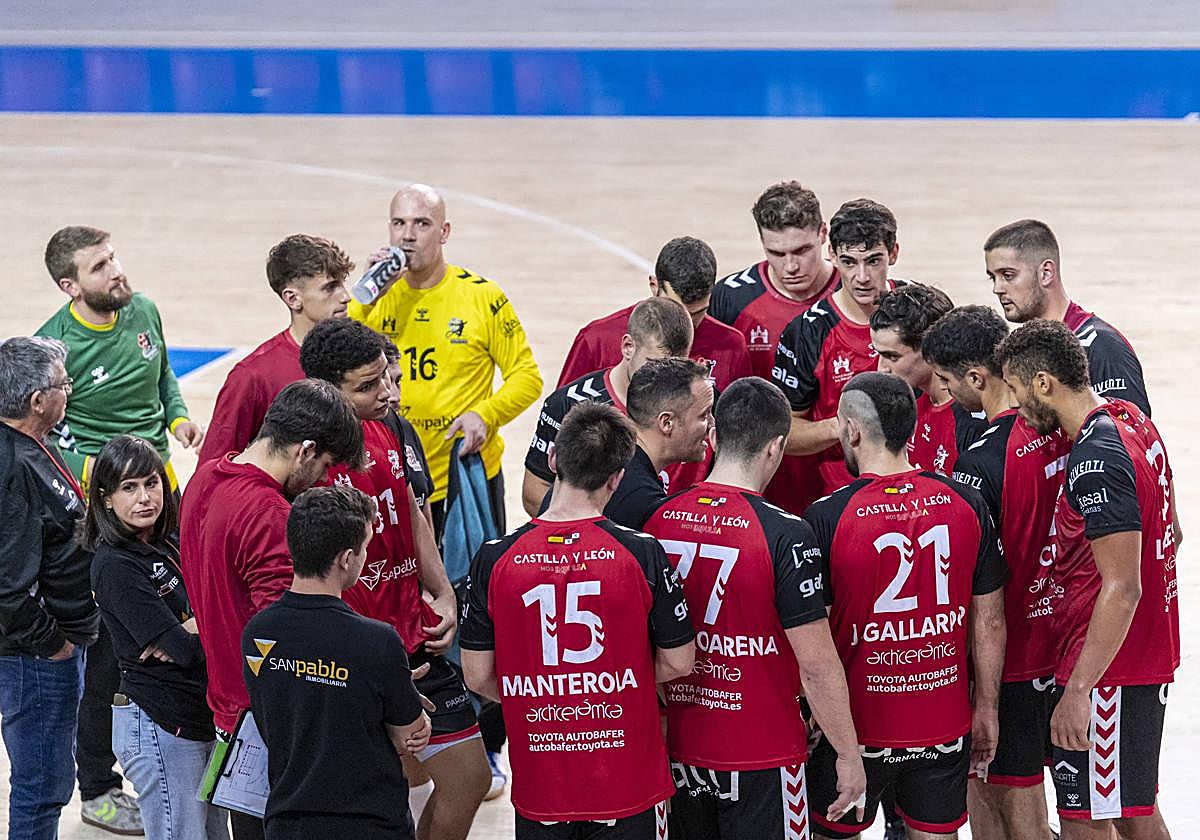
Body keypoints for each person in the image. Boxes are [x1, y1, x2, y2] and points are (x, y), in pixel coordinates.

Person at [460, 402, 696, 839]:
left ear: (552, 461)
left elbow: (477, 676)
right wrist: (620, 685)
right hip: (628, 782)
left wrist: (539, 696)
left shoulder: (494, 558)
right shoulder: (642, 553)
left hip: (541, 783)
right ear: (616, 477)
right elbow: (680, 662)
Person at [643, 378, 866, 838]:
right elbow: (817, 666)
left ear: (714, 437)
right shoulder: (785, 534)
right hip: (762, 756)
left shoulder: (657, 521)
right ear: (776, 448)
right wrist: (847, 753)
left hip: (678, 752)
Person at [37, 225, 203, 834]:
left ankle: (174, 742)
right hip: (106, 506)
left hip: (159, 492)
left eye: (114, 258)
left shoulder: (145, 310)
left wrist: (179, 418)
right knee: (108, 654)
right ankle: (98, 785)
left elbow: (162, 379)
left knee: (184, 607)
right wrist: (109, 478)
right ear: (69, 285)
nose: (116, 271)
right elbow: (47, 436)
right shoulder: (53, 346)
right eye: (100, 266)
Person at [300, 318, 489, 840]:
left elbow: (409, 504)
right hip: (364, 659)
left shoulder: (391, 426)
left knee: (468, 779)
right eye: (368, 385)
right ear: (327, 391)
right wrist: (367, 664)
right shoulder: (311, 463)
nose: (388, 392)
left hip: (416, 640)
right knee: (388, 797)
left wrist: (444, 591)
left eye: (387, 376)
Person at [803, 372, 1007, 839]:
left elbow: (813, 641)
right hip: (942, 724)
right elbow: (990, 618)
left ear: (851, 430)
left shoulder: (826, 516)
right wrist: (988, 707)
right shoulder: (966, 501)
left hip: (855, 733)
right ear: (911, 430)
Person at [996, 320, 1178, 837]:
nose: (1013, 404)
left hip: (1106, 674)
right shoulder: (1132, 421)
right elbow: (1172, 534)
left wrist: (1079, 690)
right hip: (1138, 659)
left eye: (1015, 387)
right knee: (1129, 810)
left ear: (1044, 384)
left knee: (1084, 823)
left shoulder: (1094, 459)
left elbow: (1123, 588)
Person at [180, 379, 363, 840]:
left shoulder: (204, 479)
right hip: (276, 727)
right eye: (323, 465)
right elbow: (288, 640)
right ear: (304, 450)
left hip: (230, 713)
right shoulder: (268, 517)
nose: (323, 480)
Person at [922, 307, 1068, 839]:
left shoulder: (979, 461)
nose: (941, 391)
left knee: (1011, 791)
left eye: (944, 380)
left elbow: (972, 578)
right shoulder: (1056, 426)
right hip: (1062, 636)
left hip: (1009, 653)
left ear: (977, 378)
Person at [350, 182, 543, 538]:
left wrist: (485, 414)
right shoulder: (373, 301)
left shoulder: (481, 297)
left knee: (473, 587)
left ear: (444, 231)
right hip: (389, 475)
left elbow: (527, 377)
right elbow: (329, 360)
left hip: (465, 475)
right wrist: (365, 294)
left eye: (421, 224)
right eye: (398, 223)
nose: (407, 236)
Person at [243, 485, 432, 840]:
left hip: (289, 824)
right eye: (364, 548)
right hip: (370, 825)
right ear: (346, 558)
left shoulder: (257, 633)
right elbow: (409, 735)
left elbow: (279, 714)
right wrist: (399, 695)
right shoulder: (377, 642)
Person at [86, 435, 228, 840]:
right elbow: (184, 651)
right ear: (106, 499)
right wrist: (196, 627)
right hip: (159, 726)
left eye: (151, 483)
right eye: (128, 488)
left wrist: (190, 625)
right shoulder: (113, 565)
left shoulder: (171, 542)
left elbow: (219, 613)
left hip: (198, 717)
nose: (145, 497)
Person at [0, 336, 99, 840]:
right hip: (35, 658)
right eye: (64, 384)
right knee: (43, 787)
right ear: (39, 401)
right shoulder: (12, 467)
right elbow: (7, 588)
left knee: (50, 781)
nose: (71, 390)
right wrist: (54, 647)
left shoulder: (34, 446)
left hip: (52, 647)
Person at [708, 181, 840, 515]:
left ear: (823, 233)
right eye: (777, 254)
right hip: (759, 483)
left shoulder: (854, 293)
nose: (791, 267)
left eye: (801, 251)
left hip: (835, 475)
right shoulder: (731, 299)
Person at [773, 198, 904, 506]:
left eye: (873, 260)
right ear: (831, 254)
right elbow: (784, 432)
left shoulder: (920, 312)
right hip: (843, 500)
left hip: (916, 490)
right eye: (848, 262)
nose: (861, 276)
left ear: (893, 253)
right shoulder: (806, 332)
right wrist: (845, 424)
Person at [523, 296, 694, 516]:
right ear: (628, 347)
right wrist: (607, 536)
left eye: (678, 367)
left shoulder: (696, 407)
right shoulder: (568, 404)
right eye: (655, 364)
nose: (665, 379)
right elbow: (534, 492)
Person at [198, 234, 354, 464]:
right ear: (293, 299)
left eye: (342, 283)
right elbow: (213, 469)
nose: (346, 297)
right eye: (330, 288)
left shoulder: (357, 356)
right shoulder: (253, 376)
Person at [984, 219, 1151, 415]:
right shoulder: (1019, 351)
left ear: (1046, 273)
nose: (997, 289)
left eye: (1008, 275)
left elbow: (1130, 434)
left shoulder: (1102, 347)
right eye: (992, 277)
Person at [558, 235, 750, 390]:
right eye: (675, 309)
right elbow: (561, 418)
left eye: (697, 313)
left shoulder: (732, 346)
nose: (687, 325)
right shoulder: (597, 340)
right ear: (654, 285)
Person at [543, 357, 714, 530]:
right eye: (704, 415)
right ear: (666, 422)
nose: (712, 424)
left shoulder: (594, 463)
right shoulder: (641, 501)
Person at [870, 284, 985, 476]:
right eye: (879, 355)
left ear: (929, 350)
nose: (881, 368)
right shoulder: (907, 404)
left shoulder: (971, 424)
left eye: (892, 357)